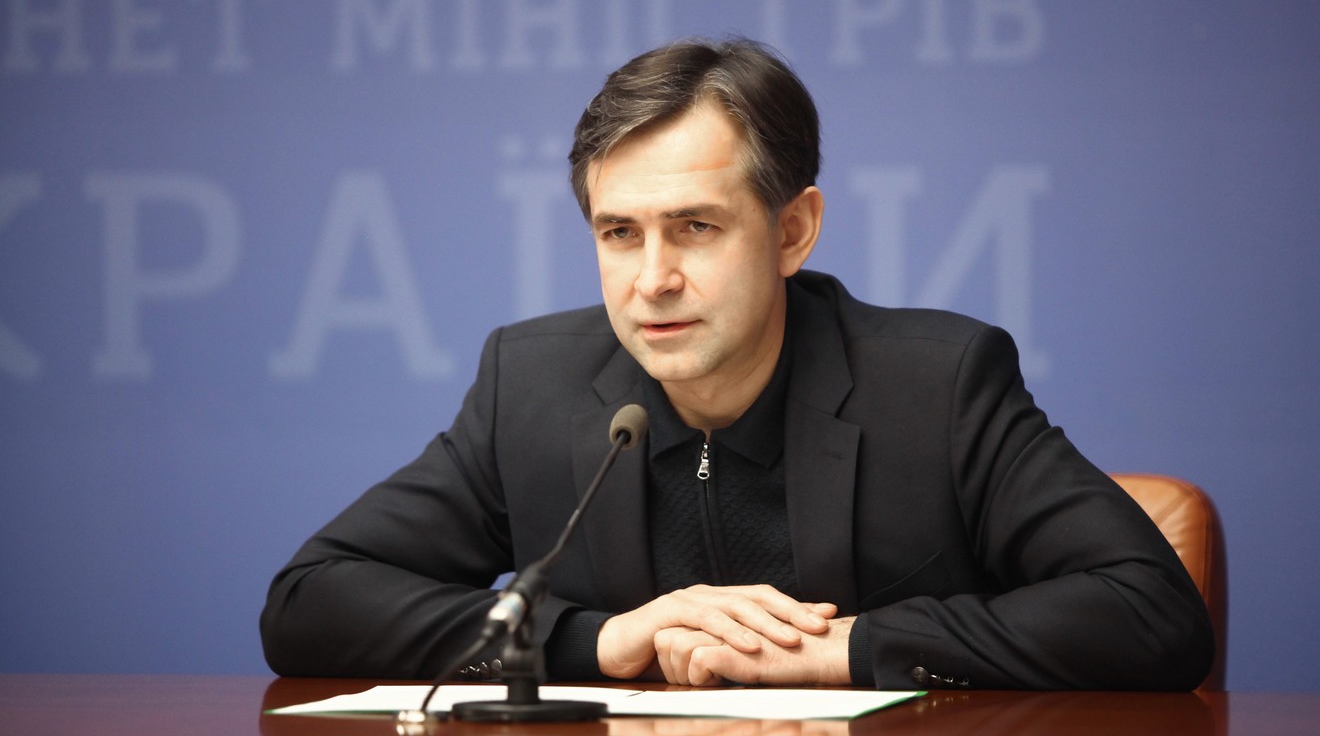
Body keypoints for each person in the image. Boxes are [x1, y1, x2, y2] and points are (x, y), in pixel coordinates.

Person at [260, 39, 1213, 691]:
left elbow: (1152, 613)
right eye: (620, 233)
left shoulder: (939, 384)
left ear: (793, 230)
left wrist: (846, 648)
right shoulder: (533, 386)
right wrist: (598, 639)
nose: (653, 280)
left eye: (695, 228)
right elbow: (310, 601)